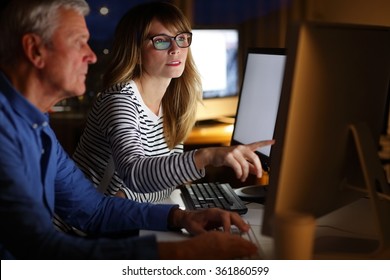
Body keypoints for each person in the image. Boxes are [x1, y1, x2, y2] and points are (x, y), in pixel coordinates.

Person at [0, 0, 259, 260]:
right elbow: (37, 248)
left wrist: (181, 216)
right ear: (35, 50)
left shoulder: (38, 127)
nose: (91, 56)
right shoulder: (7, 131)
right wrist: (179, 252)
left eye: (182, 39)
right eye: (79, 41)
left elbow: (95, 210)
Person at [73, 1, 274, 201]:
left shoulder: (172, 103)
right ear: (135, 52)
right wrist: (206, 156)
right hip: (80, 227)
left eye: (181, 38)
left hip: (117, 218)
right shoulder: (120, 101)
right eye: (161, 41)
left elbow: (162, 185)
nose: (175, 49)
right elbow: (135, 175)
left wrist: (131, 196)